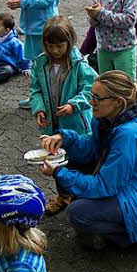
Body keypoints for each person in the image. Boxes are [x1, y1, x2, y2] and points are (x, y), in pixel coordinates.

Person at [40, 70, 137, 249]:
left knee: (76, 213)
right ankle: (128, 224)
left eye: (97, 98)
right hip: (136, 185)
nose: (91, 102)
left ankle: (133, 237)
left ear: (118, 102)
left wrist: (59, 172)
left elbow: (104, 186)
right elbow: (90, 150)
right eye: (92, 96)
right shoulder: (105, 119)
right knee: (72, 160)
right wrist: (65, 138)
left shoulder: (129, 134)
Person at [28, 16, 96, 210]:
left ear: (70, 41)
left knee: (76, 162)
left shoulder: (79, 64)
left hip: (76, 126)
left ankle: (80, 197)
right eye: (50, 46)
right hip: (52, 125)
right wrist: (39, 108)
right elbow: (35, 89)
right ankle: (63, 197)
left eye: (60, 46)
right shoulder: (40, 62)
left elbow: (91, 88)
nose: (55, 50)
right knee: (56, 162)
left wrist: (73, 105)